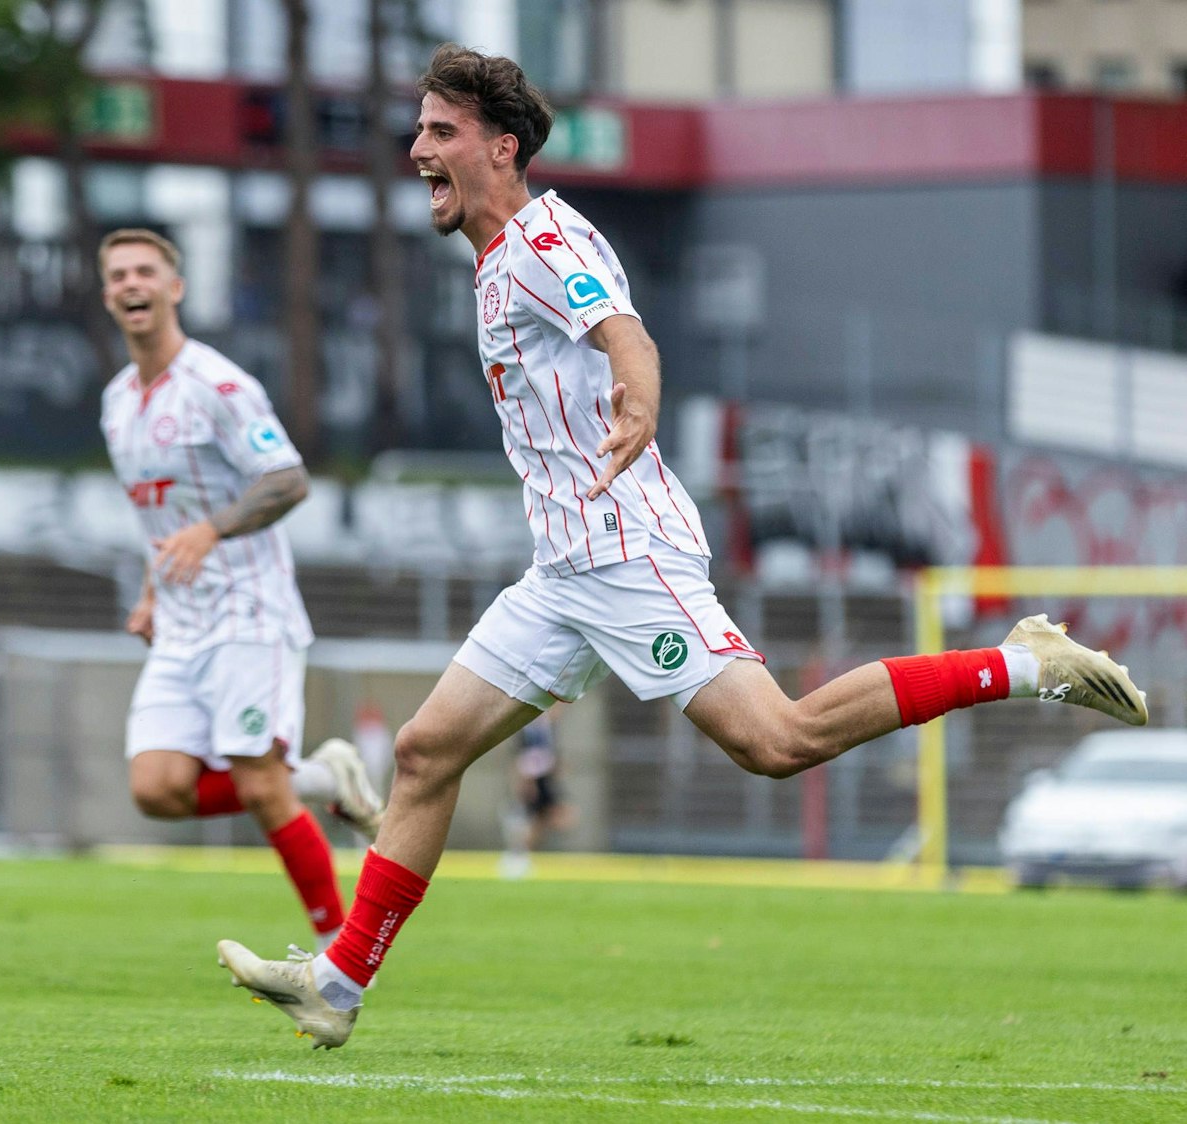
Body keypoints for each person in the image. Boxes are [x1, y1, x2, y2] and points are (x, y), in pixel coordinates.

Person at [216, 43, 1149, 1049]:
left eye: (439, 133)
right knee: (423, 750)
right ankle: (340, 984)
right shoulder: (496, 262)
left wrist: (641, 402)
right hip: (564, 569)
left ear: (499, 146)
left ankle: (1024, 662)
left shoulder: (541, 245)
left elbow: (626, 336)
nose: (417, 151)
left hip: (627, 552)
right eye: (418, 131)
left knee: (775, 740)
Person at [98, 228, 386, 951]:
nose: (131, 284)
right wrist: (150, 592)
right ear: (107, 294)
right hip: (183, 618)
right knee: (155, 789)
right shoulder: (116, 402)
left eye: (145, 272)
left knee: (260, 786)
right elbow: (153, 514)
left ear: (175, 287)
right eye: (118, 275)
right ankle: (324, 779)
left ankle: (340, 957)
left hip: (248, 612)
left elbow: (287, 477)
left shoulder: (219, 387)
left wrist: (213, 532)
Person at [499, 711, 571, 879]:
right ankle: (517, 854)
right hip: (533, 779)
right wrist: (526, 781)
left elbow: (548, 752)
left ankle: (520, 853)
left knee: (544, 818)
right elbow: (522, 756)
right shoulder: (528, 728)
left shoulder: (549, 728)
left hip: (545, 779)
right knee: (537, 818)